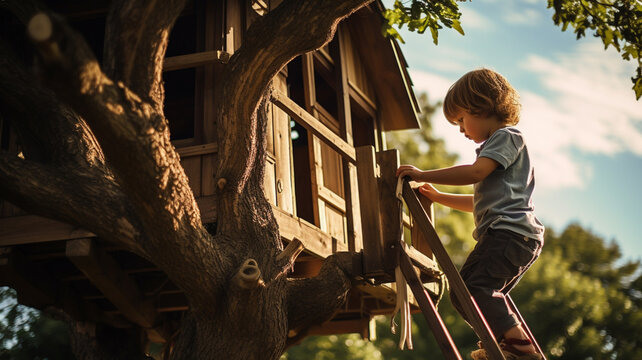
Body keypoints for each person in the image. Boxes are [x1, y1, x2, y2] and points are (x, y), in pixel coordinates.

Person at [396, 68, 544, 360]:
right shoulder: (497, 149)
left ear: (482, 106)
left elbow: (474, 173)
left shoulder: (507, 136)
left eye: (461, 120)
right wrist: (438, 198)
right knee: (468, 296)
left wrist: (424, 174)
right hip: (514, 236)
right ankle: (508, 344)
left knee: (474, 288)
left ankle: (519, 348)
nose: (462, 130)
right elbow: (477, 202)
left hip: (509, 234)